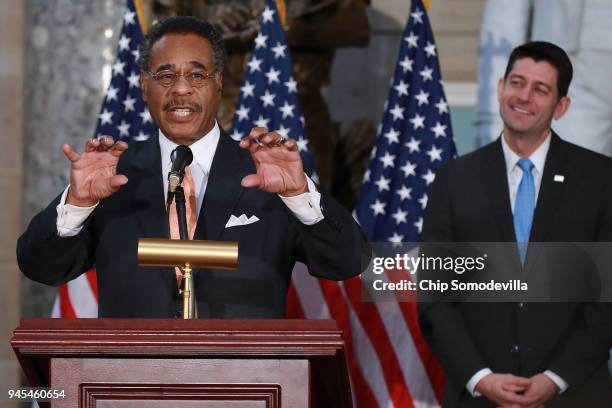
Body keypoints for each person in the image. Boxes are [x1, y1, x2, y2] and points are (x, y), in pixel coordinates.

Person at [17, 16, 368, 319]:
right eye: (166, 75)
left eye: (196, 75)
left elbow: (348, 261)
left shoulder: (268, 178)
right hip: (130, 386)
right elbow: (42, 267)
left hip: (245, 385)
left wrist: (300, 194)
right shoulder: (112, 179)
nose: (181, 89)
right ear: (144, 85)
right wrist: (78, 202)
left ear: (219, 82)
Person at [419, 41, 612, 407]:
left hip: (576, 394)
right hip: (479, 396)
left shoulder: (601, 180)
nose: (524, 96)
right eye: (517, 82)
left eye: (540, 89)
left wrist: (556, 379)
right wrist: (482, 379)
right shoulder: (454, 179)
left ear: (561, 106)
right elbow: (435, 298)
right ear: (501, 87)